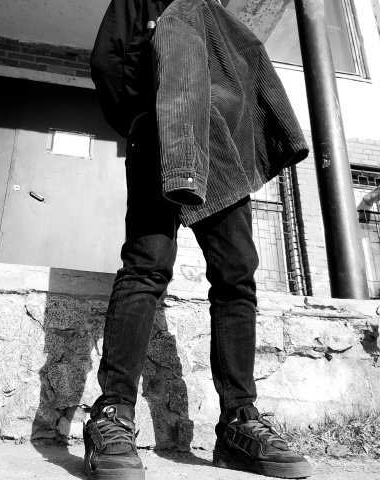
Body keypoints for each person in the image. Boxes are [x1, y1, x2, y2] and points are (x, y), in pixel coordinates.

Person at [83, 0, 312, 479]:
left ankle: (238, 422)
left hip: (218, 146)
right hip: (157, 134)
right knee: (149, 264)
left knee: (234, 276)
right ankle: (113, 413)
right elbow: (108, 61)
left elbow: (245, 74)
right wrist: (143, 119)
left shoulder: (214, 11)